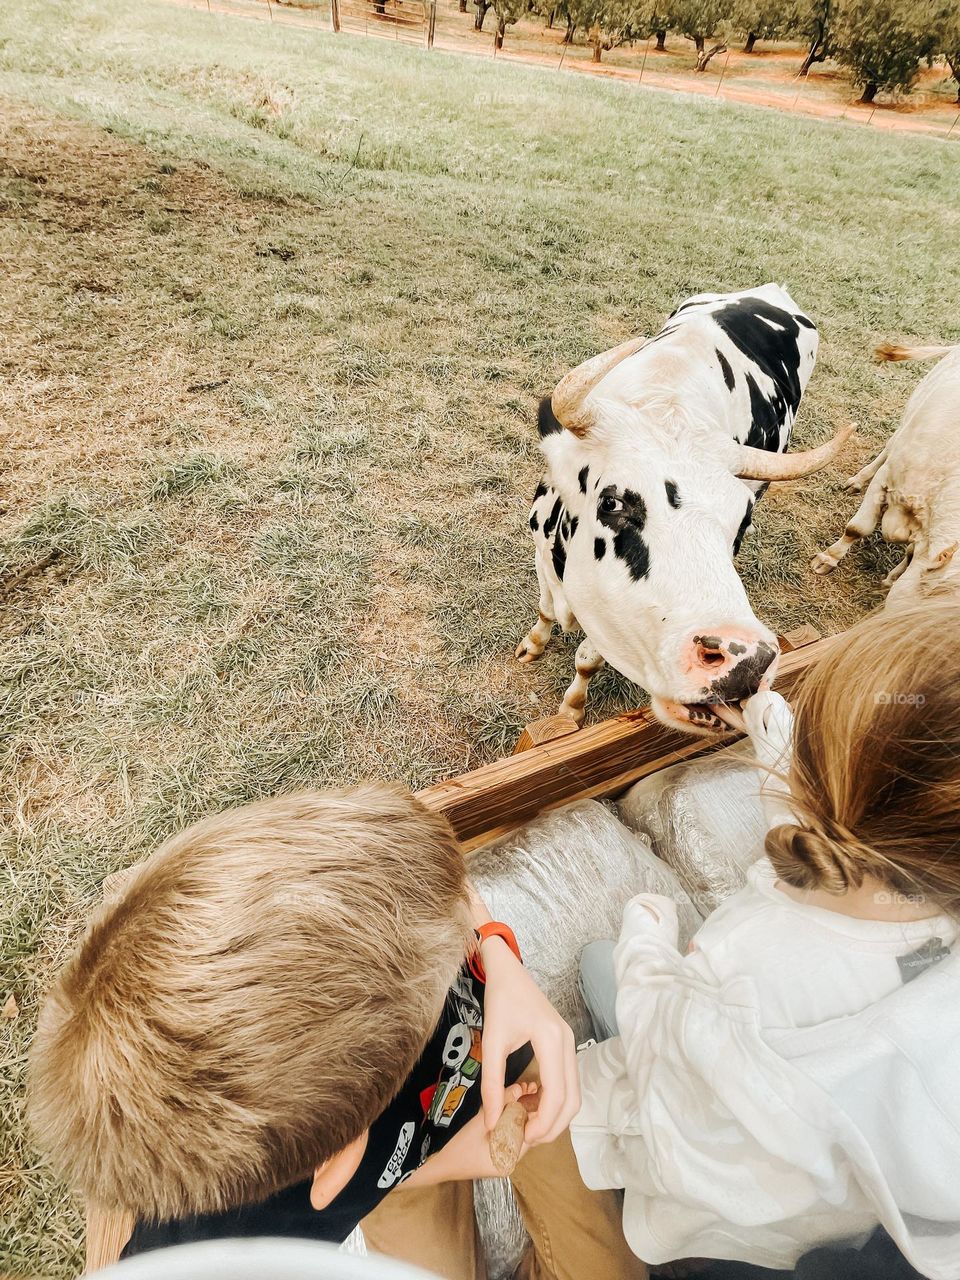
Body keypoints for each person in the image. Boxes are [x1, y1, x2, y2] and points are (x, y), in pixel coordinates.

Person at [28, 784, 644, 1280]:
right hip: (392, 1178)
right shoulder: (223, 1236)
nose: (450, 944)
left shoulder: (307, 879)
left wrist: (499, 954)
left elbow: (433, 863)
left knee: (604, 1259)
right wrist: (424, 1168)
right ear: (333, 1164)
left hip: (500, 1061)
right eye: (437, 978)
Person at [571, 602, 960, 1280]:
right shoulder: (907, 875)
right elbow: (842, 807)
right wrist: (763, 715)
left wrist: (648, 940)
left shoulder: (751, 964)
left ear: (817, 781)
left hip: (716, 1223)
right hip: (827, 1207)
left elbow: (673, 1065)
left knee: (599, 965)